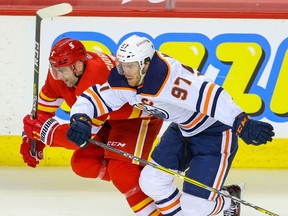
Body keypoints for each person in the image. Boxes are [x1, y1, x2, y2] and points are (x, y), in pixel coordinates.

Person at [66, 34, 275, 216]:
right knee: (151, 182)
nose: (124, 71)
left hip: (215, 134)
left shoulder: (170, 79)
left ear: (146, 64)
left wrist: (241, 121)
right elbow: (96, 98)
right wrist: (81, 117)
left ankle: (230, 198)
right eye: (121, 65)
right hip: (182, 130)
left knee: (196, 209)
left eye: (130, 66)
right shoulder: (126, 79)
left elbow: (212, 95)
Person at [20, 38, 164, 216]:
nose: (59, 76)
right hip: (106, 118)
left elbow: (79, 137)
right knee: (84, 163)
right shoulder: (61, 73)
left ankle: (158, 202)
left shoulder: (97, 77)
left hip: (136, 117)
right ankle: (143, 179)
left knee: (122, 174)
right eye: (55, 71)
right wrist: (31, 138)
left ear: (78, 66)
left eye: (62, 71)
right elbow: (42, 111)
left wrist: (44, 133)